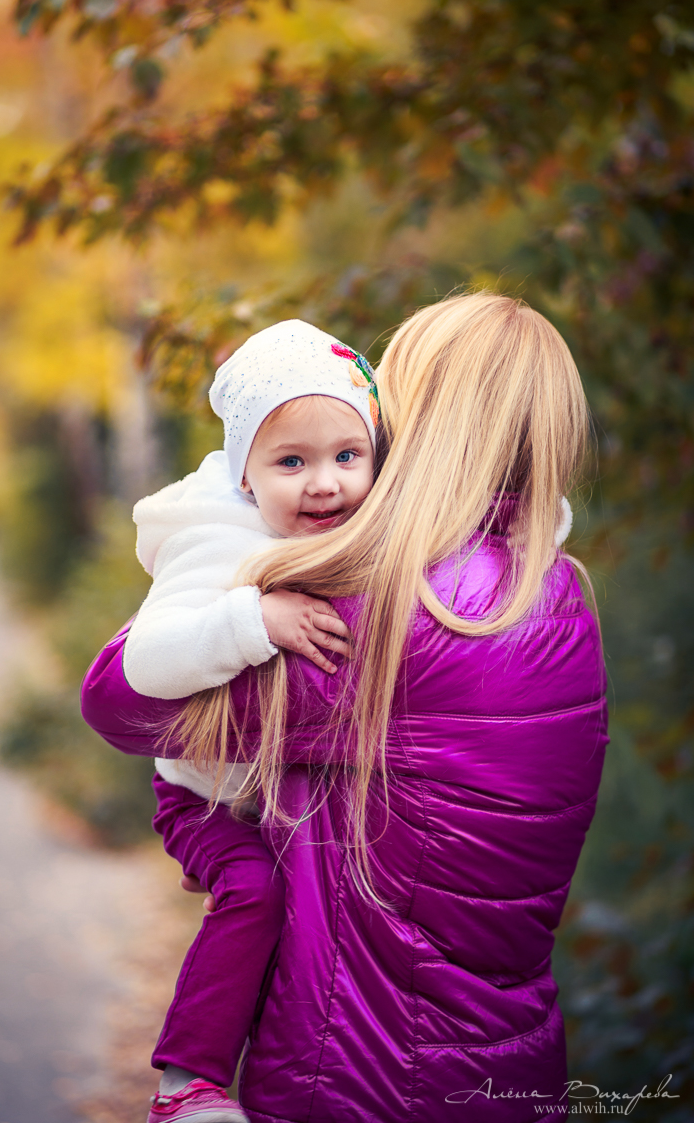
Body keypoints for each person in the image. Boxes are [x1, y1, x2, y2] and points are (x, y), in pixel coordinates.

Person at [81, 293, 608, 1123]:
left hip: (368, 1074)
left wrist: (219, 547)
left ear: (416, 423)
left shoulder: (405, 612)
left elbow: (118, 699)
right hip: (505, 1059)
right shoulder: (558, 591)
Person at [122, 320, 379, 1122]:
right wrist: (252, 620)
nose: (325, 484)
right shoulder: (217, 542)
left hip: (276, 790)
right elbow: (145, 666)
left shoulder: (363, 526)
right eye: (290, 463)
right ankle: (184, 1083)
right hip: (202, 797)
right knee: (255, 891)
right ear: (244, 478)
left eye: (347, 456)